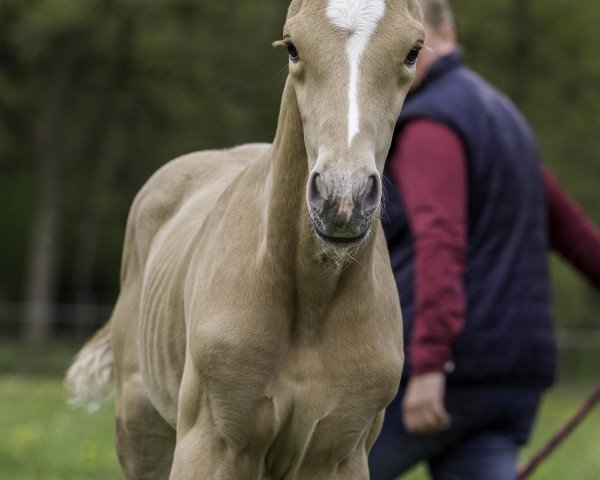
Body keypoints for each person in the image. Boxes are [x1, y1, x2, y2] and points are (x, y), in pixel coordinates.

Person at [369, 0, 600, 479]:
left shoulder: (431, 123)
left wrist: (431, 364)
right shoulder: (503, 115)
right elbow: (577, 236)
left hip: (447, 374)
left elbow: (441, 240)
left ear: (444, 36)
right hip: (513, 378)